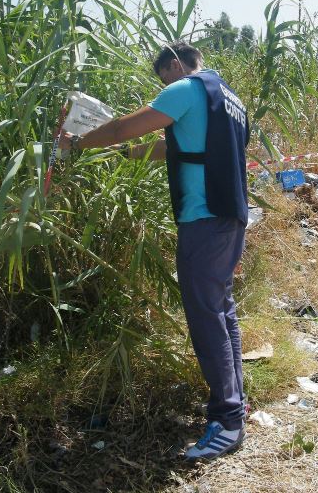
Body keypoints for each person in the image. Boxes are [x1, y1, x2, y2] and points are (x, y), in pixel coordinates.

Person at [59, 41, 250, 460]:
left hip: (203, 218)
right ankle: (235, 402)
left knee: (205, 316)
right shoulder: (227, 97)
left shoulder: (185, 88)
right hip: (231, 217)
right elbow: (175, 147)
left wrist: (76, 145)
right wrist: (125, 155)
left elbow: (124, 126)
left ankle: (227, 421)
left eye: (163, 78)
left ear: (176, 65)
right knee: (221, 309)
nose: (165, 87)